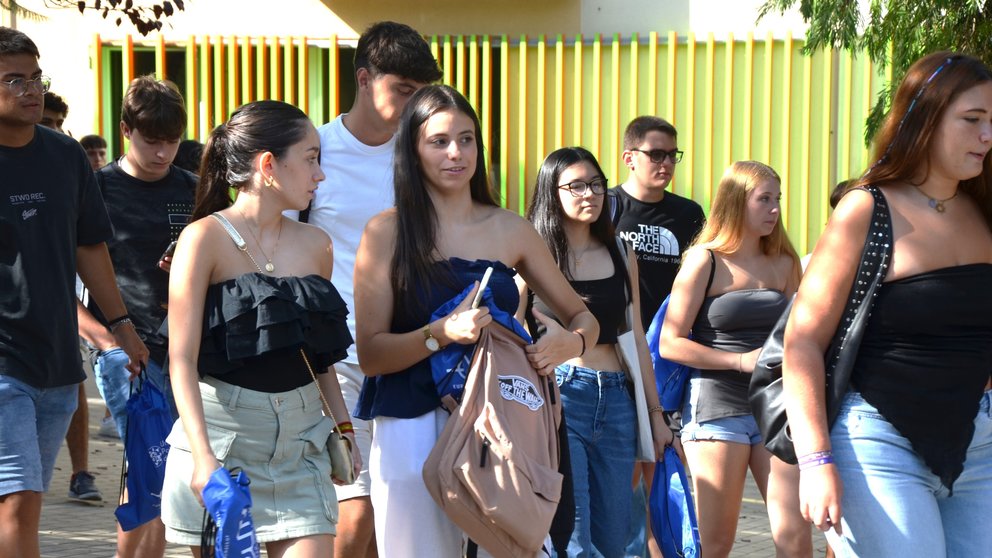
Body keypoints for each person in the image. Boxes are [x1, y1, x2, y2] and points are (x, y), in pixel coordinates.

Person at [352, 85, 598, 558]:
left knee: (517, 546)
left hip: (505, 417)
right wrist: (439, 334)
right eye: (438, 141)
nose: (455, 153)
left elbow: (582, 316)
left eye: (466, 139)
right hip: (412, 417)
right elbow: (371, 354)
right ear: (412, 149)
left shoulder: (510, 228)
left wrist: (573, 344)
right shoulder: (385, 232)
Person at [784, 52, 992, 558]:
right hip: (877, 443)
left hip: (979, 444)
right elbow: (803, 340)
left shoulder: (985, 210)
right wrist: (815, 462)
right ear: (925, 118)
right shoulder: (867, 208)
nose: (987, 137)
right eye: (972, 120)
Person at [161, 99, 359, 556]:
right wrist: (203, 456)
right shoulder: (203, 238)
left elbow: (319, 355)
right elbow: (181, 360)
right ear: (269, 165)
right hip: (223, 441)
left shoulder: (317, 245)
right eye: (311, 159)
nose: (320, 174)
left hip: (302, 445)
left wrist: (343, 428)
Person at [0, 26, 147, 558]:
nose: (30, 89)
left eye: (35, 77)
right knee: (16, 502)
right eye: (13, 80)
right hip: (2, 365)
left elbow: (90, 249)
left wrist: (122, 326)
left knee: (25, 504)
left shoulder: (65, 157)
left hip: (59, 362)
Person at [306, 21, 441, 558]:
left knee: (392, 516)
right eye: (402, 90)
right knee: (353, 509)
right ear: (364, 78)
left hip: (409, 354)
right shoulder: (314, 150)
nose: (413, 105)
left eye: (419, 93)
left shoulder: (424, 157)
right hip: (332, 360)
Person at [520, 146, 674, 557]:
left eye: (595, 184)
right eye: (575, 186)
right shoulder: (531, 253)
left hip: (619, 400)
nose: (588, 194)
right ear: (552, 192)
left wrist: (657, 416)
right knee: (573, 536)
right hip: (561, 397)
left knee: (614, 536)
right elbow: (512, 329)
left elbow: (636, 335)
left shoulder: (622, 252)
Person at [660, 161, 809, 558]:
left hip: (776, 409)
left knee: (796, 538)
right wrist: (741, 362)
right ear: (736, 202)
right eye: (764, 199)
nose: (775, 209)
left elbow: (803, 334)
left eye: (777, 199)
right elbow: (670, 343)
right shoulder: (704, 260)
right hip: (716, 410)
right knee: (716, 544)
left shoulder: (784, 261)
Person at [79, 75, 197, 558]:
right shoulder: (96, 189)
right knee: (149, 469)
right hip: (126, 353)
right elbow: (63, 275)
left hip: (187, 349)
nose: (163, 153)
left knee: (185, 473)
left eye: (171, 142)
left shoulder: (194, 188)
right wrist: (106, 342)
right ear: (126, 129)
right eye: (152, 141)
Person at [610, 116, 704, 557]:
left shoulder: (689, 215)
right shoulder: (605, 207)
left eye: (672, 154)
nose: (666, 163)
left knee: (663, 472)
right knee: (623, 473)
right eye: (655, 154)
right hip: (613, 353)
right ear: (629, 157)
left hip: (668, 361)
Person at [37, 88, 108, 506]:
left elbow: (91, 246)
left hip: (65, 302)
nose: (51, 131)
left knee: (72, 381)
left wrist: (112, 327)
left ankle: (81, 471)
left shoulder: (68, 165)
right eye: (46, 123)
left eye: (57, 124)